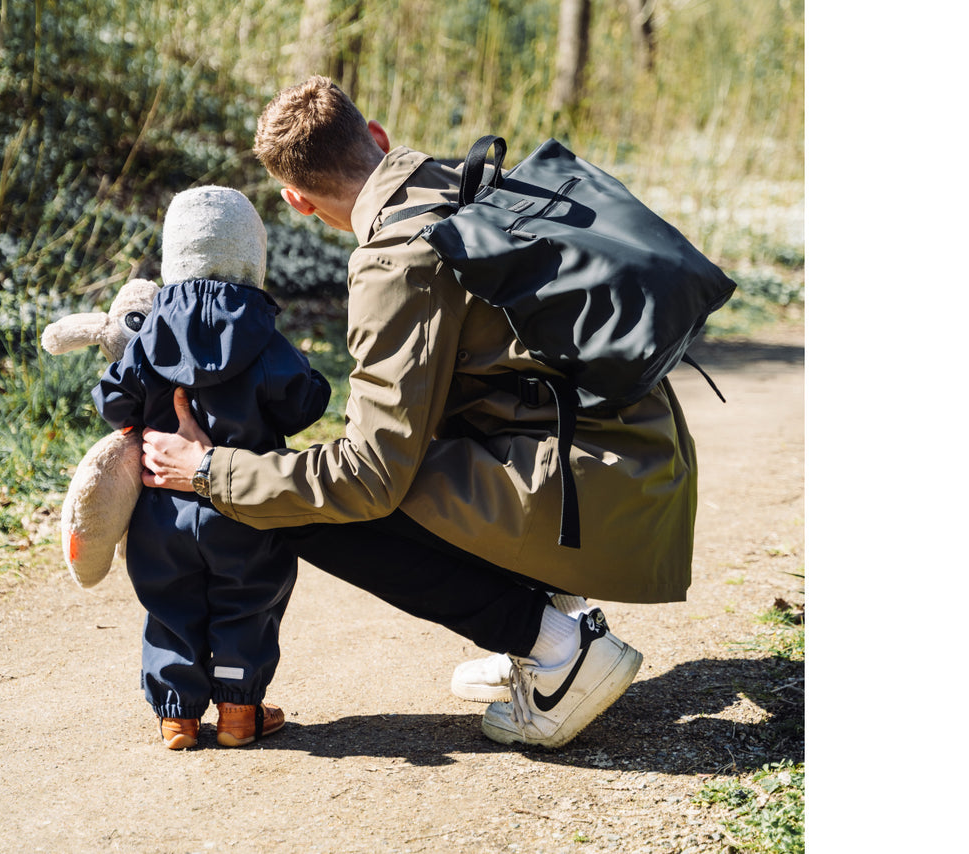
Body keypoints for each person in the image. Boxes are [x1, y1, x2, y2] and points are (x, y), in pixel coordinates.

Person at [138, 77, 698, 749]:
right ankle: (555, 617)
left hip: (601, 500)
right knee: (418, 429)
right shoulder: (477, 186)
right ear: (376, 135)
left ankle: (557, 650)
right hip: (638, 469)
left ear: (297, 201)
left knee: (309, 510)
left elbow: (369, 476)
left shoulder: (397, 259)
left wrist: (212, 471)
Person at [94, 185, 330, 750]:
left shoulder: (150, 331)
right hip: (240, 499)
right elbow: (305, 402)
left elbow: (113, 402)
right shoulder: (261, 332)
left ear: (174, 256)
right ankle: (237, 713)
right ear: (253, 257)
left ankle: (176, 717)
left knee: (169, 602)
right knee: (248, 599)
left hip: (161, 507)